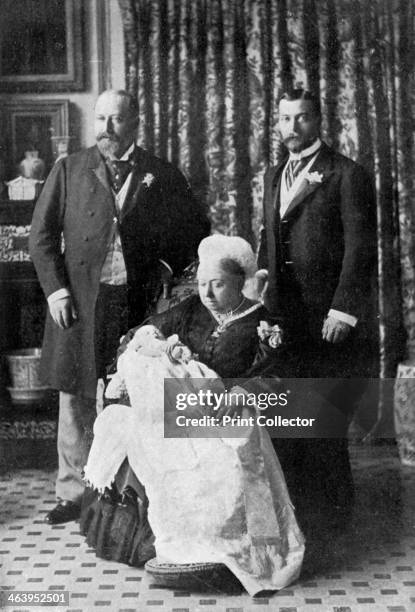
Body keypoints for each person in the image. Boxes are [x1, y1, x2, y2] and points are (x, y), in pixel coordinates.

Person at [80, 235, 304, 595]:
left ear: (239, 281)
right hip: (184, 409)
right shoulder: (190, 310)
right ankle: (174, 546)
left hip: (232, 413)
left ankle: (225, 552)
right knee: (142, 432)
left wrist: (241, 392)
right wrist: (160, 343)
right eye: (202, 284)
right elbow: (141, 334)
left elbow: (278, 375)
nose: (208, 294)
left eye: (218, 284)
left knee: (225, 463)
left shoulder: (261, 322)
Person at [29, 89, 209, 525]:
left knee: (131, 393)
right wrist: (56, 291)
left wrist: (166, 268)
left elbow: (197, 230)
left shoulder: (161, 174)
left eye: (117, 120)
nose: (107, 128)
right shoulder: (68, 170)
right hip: (78, 301)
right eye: (101, 119)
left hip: (136, 304)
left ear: (135, 123)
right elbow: (42, 237)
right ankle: (72, 492)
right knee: (74, 395)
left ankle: (128, 491)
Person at [257, 88, 377, 528]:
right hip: (284, 319)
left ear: (318, 120)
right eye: (285, 119)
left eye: (302, 118)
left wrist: (343, 310)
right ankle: (300, 512)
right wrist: (261, 297)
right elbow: (269, 242)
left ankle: (334, 516)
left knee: (325, 416)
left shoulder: (347, 175)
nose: (292, 127)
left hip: (327, 317)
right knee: (290, 413)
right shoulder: (274, 175)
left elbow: (361, 249)